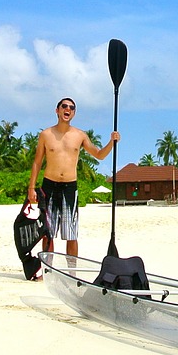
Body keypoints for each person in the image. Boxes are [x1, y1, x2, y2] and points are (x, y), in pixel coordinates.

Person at [27, 97, 120, 258]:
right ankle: (49, 269)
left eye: (71, 107)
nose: (67, 109)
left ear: (74, 113)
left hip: (70, 187)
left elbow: (99, 155)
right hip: (49, 185)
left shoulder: (80, 135)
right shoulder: (46, 134)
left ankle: (72, 271)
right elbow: (37, 162)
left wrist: (112, 142)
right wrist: (31, 188)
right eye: (64, 106)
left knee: (71, 234)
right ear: (57, 110)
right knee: (47, 232)